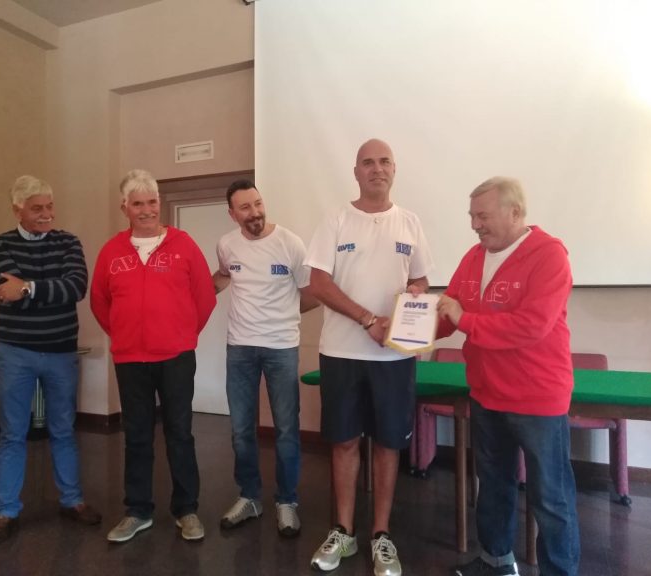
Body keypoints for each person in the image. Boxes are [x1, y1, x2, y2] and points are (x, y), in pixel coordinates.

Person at [436, 177, 579, 576]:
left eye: (482, 216)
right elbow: (449, 311)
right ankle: (496, 562)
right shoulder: (474, 256)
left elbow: (531, 326)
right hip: (487, 393)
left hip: (537, 398)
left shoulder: (549, 255)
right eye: (471, 216)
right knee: (494, 485)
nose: (474, 225)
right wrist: (403, 325)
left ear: (515, 213)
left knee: (550, 497)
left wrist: (463, 319)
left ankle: (560, 571)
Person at [305, 139, 434, 576]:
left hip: (393, 358)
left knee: (388, 444)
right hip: (341, 352)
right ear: (356, 172)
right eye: (368, 163)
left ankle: (381, 534)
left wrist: (414, 294)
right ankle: (343, 530)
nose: (377, 169)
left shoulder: (410, 222)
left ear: (394, 170)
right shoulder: (335, 220)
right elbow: (318, 284)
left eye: (384, 162)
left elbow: (421, 281)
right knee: (343, 441)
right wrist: (367, 319)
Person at [91, 169, 216, 544]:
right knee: (137, 435)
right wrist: (125, 335)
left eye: (151, 202)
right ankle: (138, 511)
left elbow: (204, 297)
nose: (146, 210)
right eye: (138, 204)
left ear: (159, 203)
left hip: (176, 356)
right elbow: (100, 302)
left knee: (180, 433)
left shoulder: (183, 244)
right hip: (130, 358)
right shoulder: (112, 251)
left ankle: (187, 509)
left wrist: (182, 334)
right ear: (124, 208)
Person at [0, 175, 101, 546]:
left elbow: (76, 287)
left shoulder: (68, 242)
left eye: (50, 206)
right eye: (37, 208)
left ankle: (72, 500)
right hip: (14, 352)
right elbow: (7, 292)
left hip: (61, 351)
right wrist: (43, 290)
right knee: (12, 434)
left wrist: (28, 287)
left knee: (64, 429)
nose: (47, 214)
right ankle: (6, 511)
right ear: (17, 209)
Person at [212, 179, 318, 538]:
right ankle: (250, 497)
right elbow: (223, 278)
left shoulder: (290, 243)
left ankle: (287, 501)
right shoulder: (226, 245)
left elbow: (311, 293)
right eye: (245, 207)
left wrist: (283, 314)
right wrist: (191, 295)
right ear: (232, 214)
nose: (255, 212)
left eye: (257, 203)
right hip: (239, 348)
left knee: (287, 429)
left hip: (281, 347)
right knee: (241, 429)